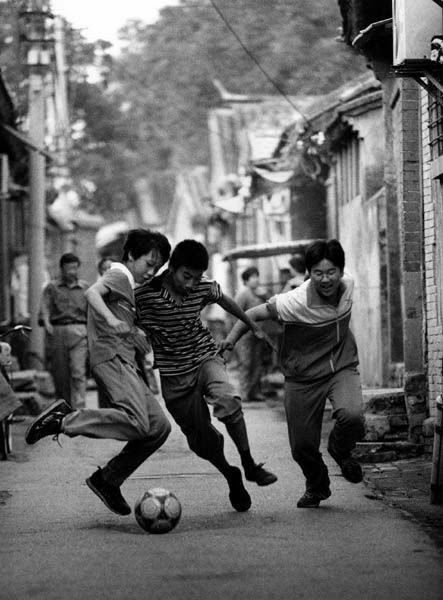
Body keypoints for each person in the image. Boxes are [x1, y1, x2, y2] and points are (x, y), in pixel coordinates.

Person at [25, 230, 171, 517]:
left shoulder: (130, 285)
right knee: (140, 424)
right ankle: (64, 420)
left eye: (157, 267)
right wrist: (111, 319)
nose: (151, 271)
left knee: (159, 429)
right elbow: (93, 293)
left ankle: (107, 479)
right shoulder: (119, 274)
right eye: (149, 263)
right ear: (131, 256)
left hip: (125, 360)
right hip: (111, 358)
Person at [135, 239, 277, 513]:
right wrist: (133, 335)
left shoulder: (203, 286)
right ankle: (231, 474)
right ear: (172, 268)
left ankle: (249, 464)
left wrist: (251, 326)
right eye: (186, 276)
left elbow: (226, 301)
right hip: (174, 374)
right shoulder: (144, 295)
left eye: (196, 277)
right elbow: (124, 318)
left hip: (205, 358)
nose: (191, 284)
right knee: (202, 442)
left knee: (228, 401)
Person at [223, 239, 365, 508]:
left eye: (331, 272)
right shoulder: (294, 302)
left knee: (353, 415)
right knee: (301, 447)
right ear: (308, 273)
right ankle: (317, 485)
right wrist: (230, 341)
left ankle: (339, 448)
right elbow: (252, 313)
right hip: (303, 375)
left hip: (340, 367)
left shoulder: (349, 284)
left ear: (342, 270)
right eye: (318, 273)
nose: (326, 279)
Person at [39, 253, 89, 408]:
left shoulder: (85, 287)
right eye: (68, 268)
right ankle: (64, 407)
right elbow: (44, 307)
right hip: (58, 330)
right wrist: (47, 323)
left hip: (80, 330)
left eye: (74, 268)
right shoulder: (52, 287)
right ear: (62, 269)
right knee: (60, 374)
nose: (72, 272)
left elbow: (92, 310)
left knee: (78, 371)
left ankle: (79, 408)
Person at [233, 266, 266, 402]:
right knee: (246, 363)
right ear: (246, 280)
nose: (256, 279)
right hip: (245, 335)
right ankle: (244, 392)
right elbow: (235, 312)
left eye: (257, 276)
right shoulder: (243, 294)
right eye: (253, 277)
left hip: (259, 334)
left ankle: (255, 392)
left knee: (257, 363)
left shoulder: (259, 293)